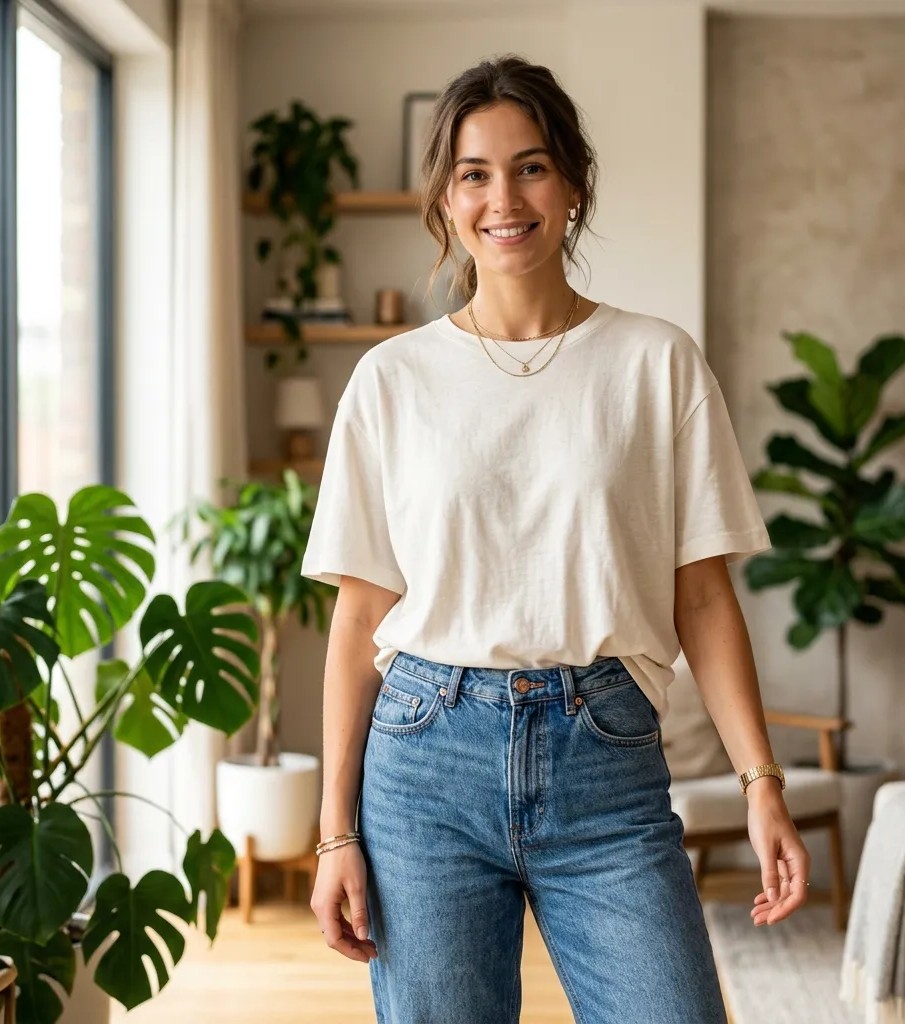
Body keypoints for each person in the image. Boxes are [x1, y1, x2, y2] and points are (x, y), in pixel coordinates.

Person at [302, 54, 810, 1024]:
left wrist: (761, 783)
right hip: (424, 763)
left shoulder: (654, 361)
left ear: (573, 183)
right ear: (447, 200)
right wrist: (335, 833)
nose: (505, 197)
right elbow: (359, 618)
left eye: (531, 167)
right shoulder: (392, 380)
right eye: (475, 173)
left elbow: (701, 595)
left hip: (605, 760)